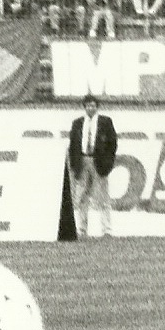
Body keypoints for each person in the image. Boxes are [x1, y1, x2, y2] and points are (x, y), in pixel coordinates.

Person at [67, 92, 118, 239]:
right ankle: (82, 230)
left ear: (97, 107)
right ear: (84, 107)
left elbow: (113, 144)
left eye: (93, 105)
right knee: (82, 197)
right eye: (88, 105)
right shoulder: (77, 123)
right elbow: (73, 145)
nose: (91, 108)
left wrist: (108, 163)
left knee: (103, 197)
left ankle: (107, 230)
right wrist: (74, 164)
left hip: (98, 162)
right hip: (83, 161)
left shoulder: (105, 122)